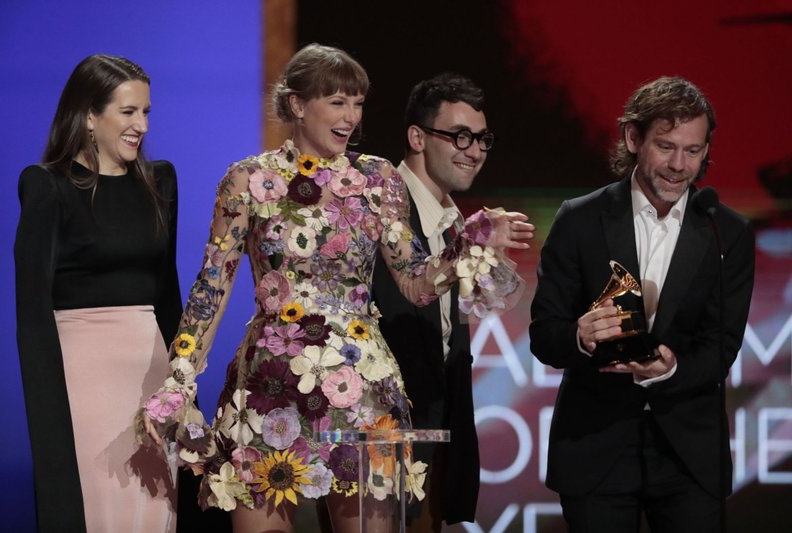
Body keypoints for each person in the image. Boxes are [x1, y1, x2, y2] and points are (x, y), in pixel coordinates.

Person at [141, 43, 531, 533]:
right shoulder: (248, 180)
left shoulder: (378, 180)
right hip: (270, 388)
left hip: (360, 387)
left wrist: (468, 246)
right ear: (298, 105)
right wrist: (181, 372)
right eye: (337, 102)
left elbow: (414, 282)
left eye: (359, 103)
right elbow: (211, 286)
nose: (351, 117)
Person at [529, 76, 755, 532]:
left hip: (688, 455)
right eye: (666, 146)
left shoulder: (725, 231)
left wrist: (670, 368)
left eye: (693, 151)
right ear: (633, 138)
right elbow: (544, 333)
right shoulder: (580, 219)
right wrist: (580, 335)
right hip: (596, 448)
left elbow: (720, 348)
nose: (679, 165)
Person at [14, 54, 181, 532]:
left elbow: (167, 293)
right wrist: (47, 419)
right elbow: (32, 312)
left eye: (146, 112)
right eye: (128, 112)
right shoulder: (48, 187)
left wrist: (180, 384)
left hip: (151, 375)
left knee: (155, 511)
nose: (141, 125)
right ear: (89, 114)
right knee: (98, 507)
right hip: (83, 380)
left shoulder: (159, 183)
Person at [371, 73, 534, 531]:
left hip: (439, 417)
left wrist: (487, 252)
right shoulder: (379, 205)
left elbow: (476, 308)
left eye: (482, 138)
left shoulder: (453, 220)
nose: (475, 149)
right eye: (460, 135)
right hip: (381, 424)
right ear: (417, 137)